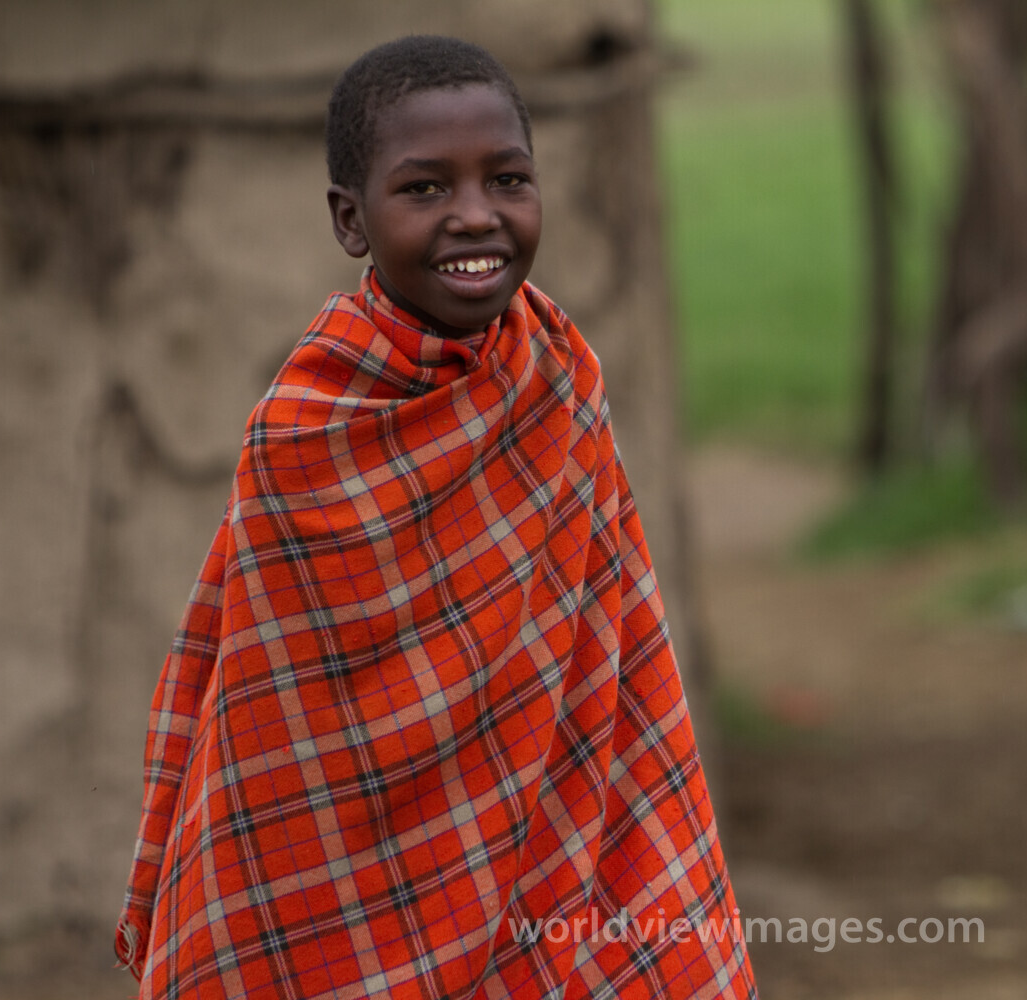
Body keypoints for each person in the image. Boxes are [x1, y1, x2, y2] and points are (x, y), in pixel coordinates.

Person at [116, 35, 755, 1000]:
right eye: (423, 189)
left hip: (559, 828)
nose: (476, 215)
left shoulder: (557, 380)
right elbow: (275, 714)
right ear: (351, 219)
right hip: (342, 867)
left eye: (508, 180)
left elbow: (609, 645)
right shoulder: (307, 433)